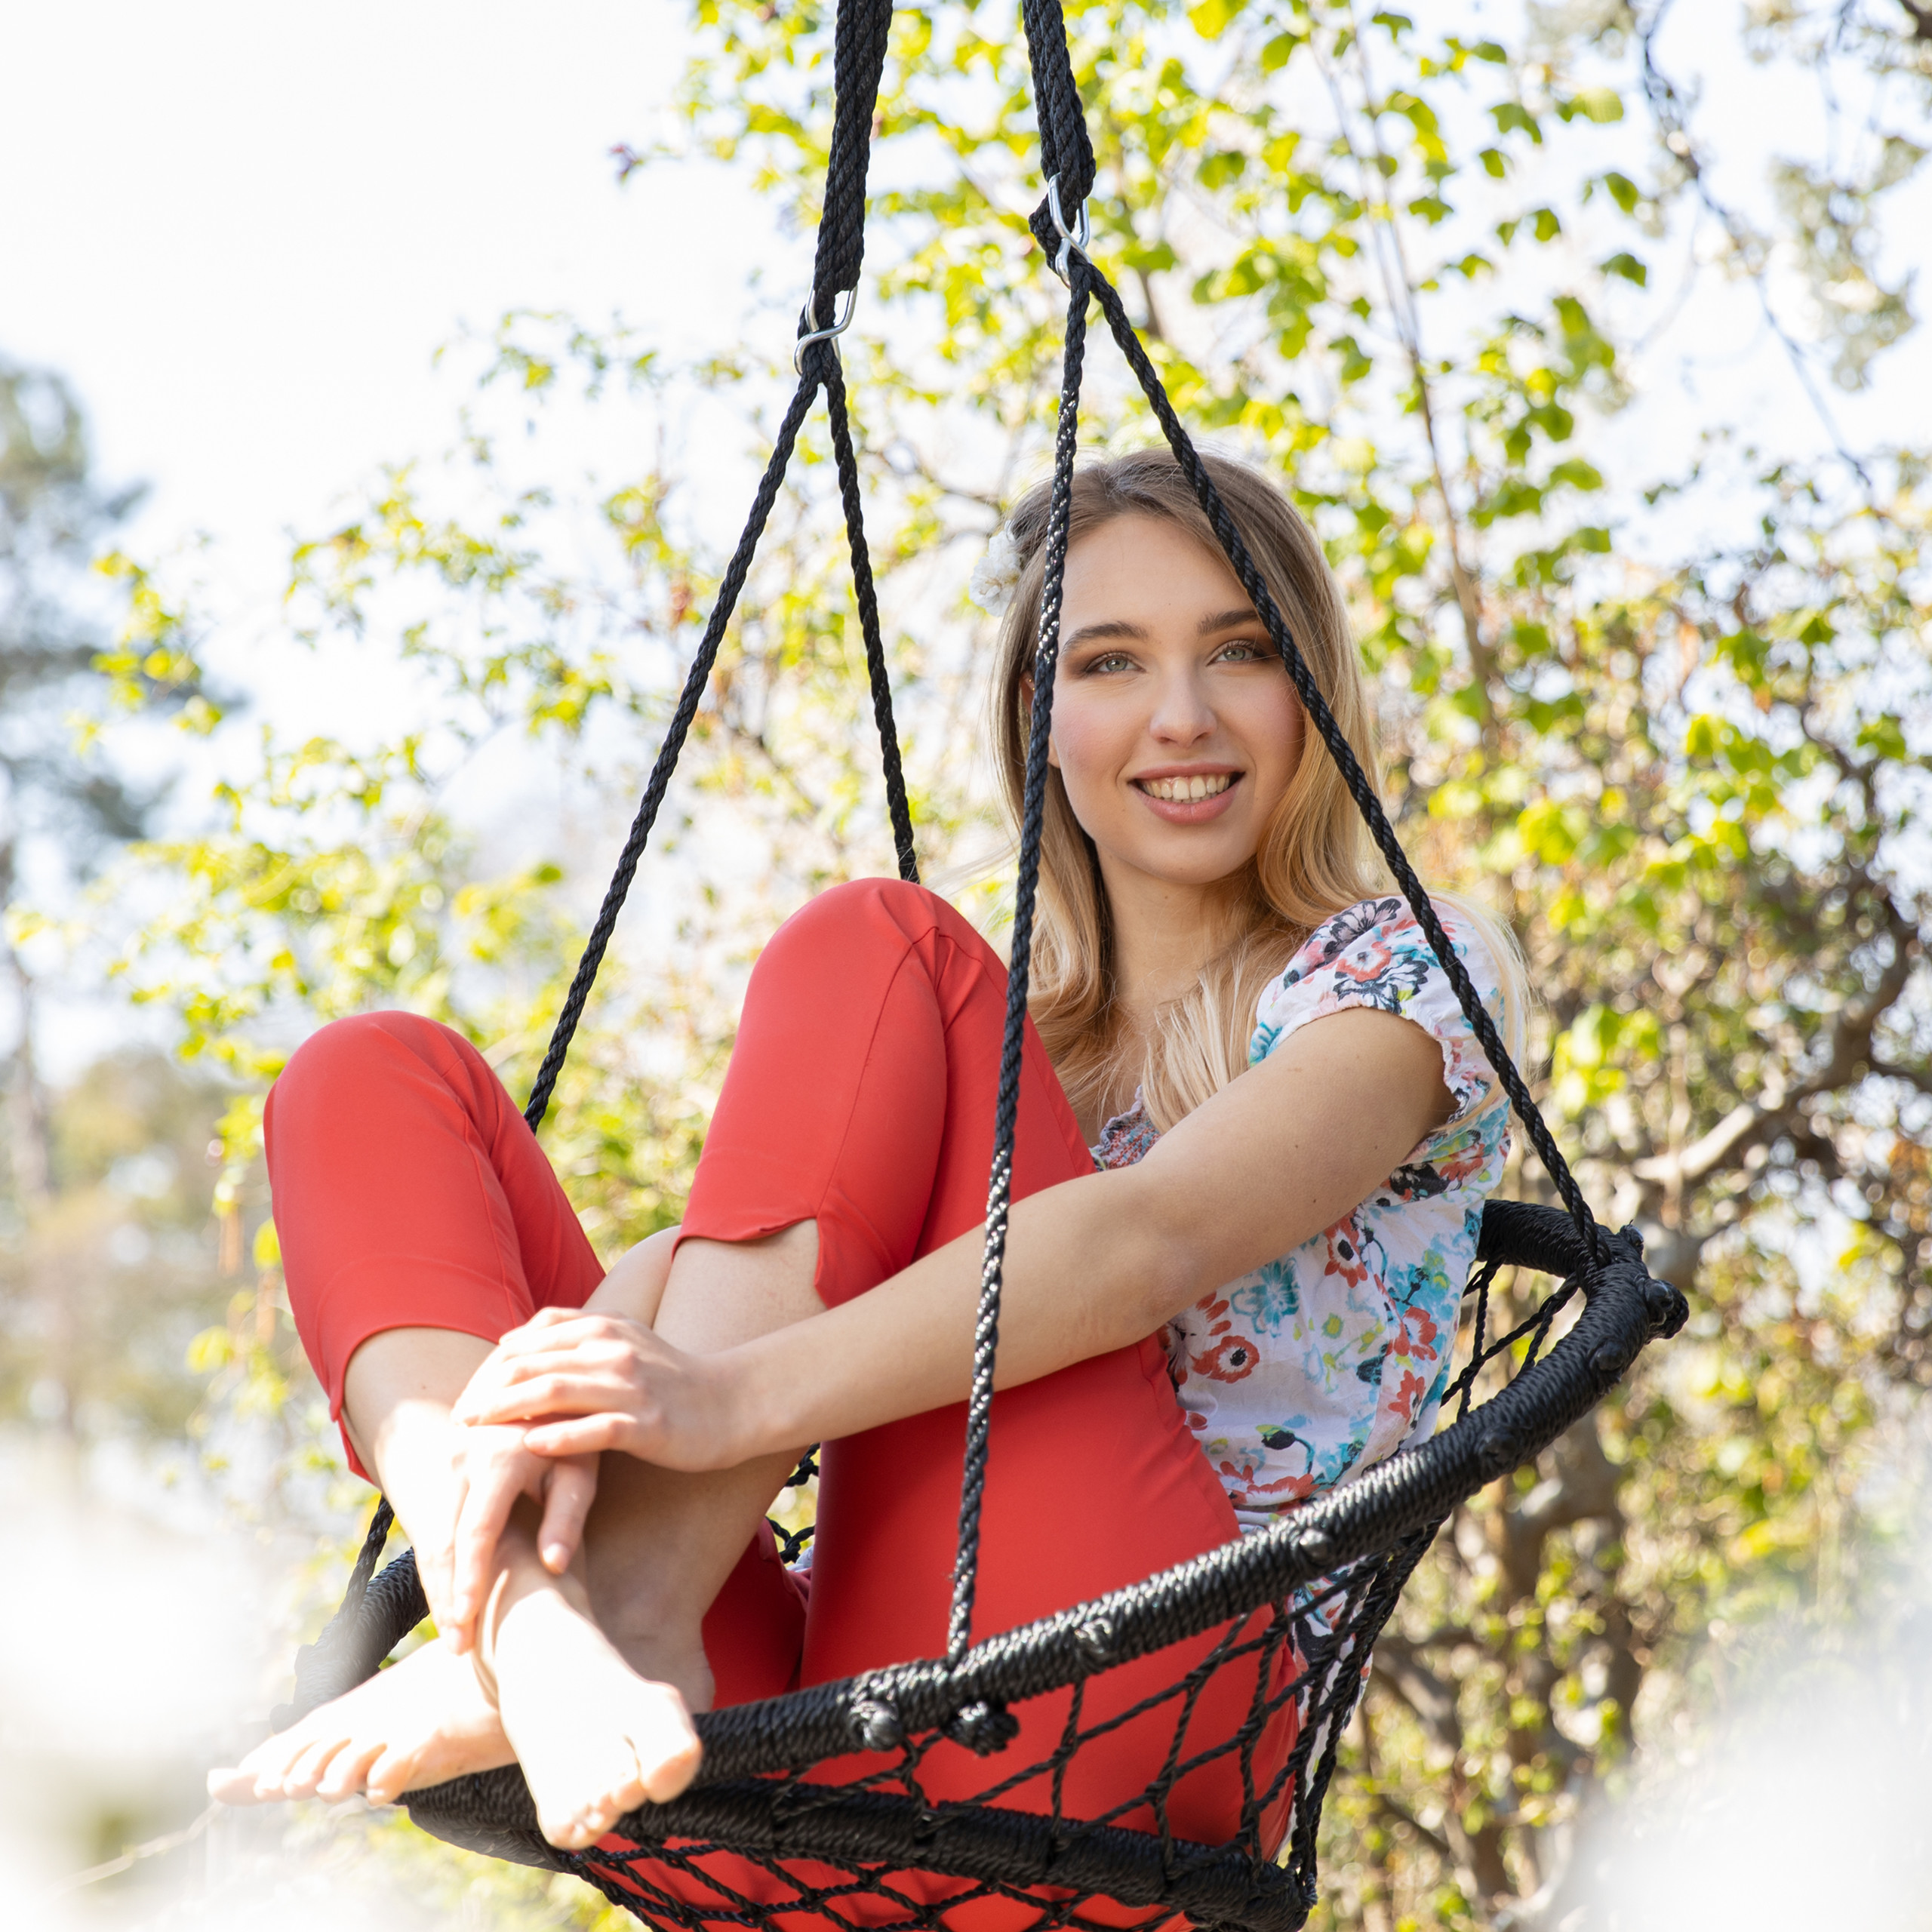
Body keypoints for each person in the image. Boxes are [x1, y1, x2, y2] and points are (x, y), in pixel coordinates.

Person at [209, 448, 1517, 1883]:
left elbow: (1150, 1240)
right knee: (364, 1077)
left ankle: (609, 1623)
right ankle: (520, 1626)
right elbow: (710, 1275)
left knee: (880, 941)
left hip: (1121, 1735)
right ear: (1040, 715)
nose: (1182, 715)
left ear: (1311, 688)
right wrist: (574, 1390)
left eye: (1240, 651)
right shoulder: (1002, 1045)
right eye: (1111, 662)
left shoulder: (1400, 972)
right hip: (795, 1740)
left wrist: (714, 1399)